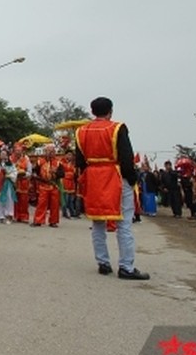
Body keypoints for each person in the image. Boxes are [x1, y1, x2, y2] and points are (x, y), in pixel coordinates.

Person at [75, 97, 149, 280]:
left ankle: (103, 263)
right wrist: (132, 180)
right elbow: (126, 157)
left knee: (97, 222)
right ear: (110, 111)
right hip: (115, 175)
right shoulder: (117, 128)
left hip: (93, 176)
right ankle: (126, 266)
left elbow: (79, 161)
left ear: (92, 112)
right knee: (124, 222)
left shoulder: (81, 131)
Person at [32, 143, 63, 227]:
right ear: (45, 152)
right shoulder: (40, 161)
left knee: (55, 205)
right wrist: (34, 174)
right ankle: (38, 220)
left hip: (54, 186)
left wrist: (56, 173)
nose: (50, 153)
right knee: (41, 203)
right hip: (43, 186)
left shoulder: (58, 163)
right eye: (48, 151)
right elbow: (35, 171)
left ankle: (53, 221)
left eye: (52, 151)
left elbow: (62, 174)